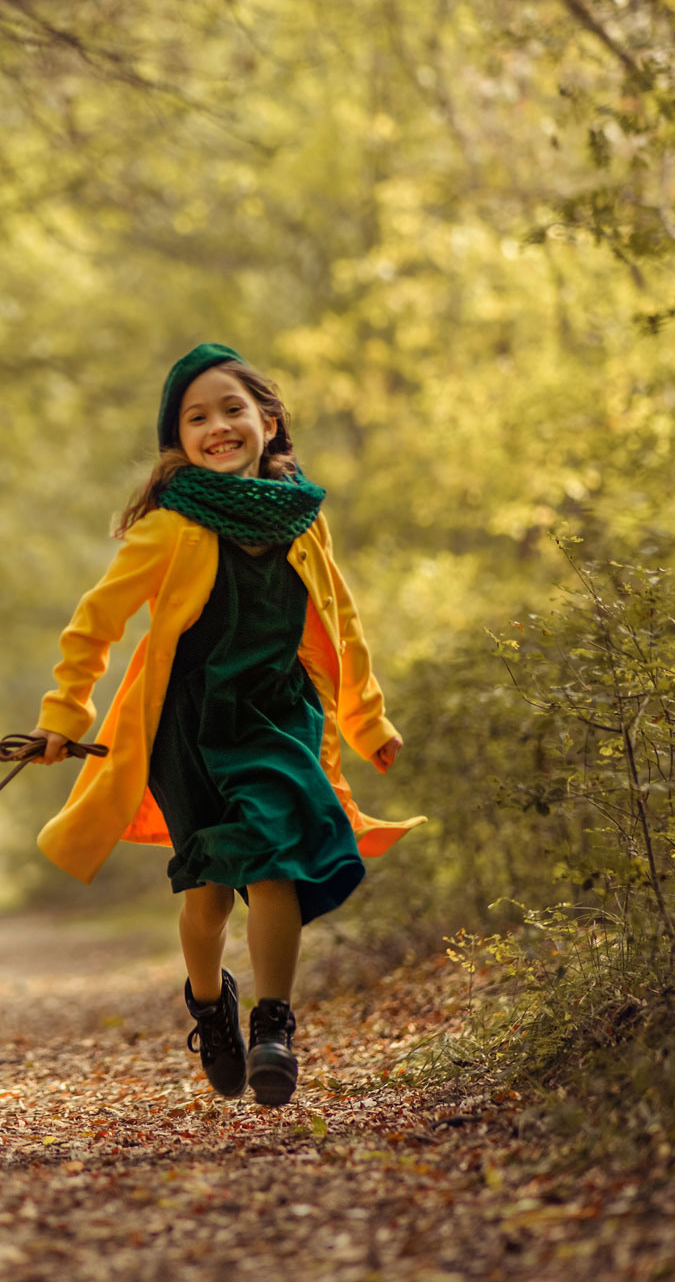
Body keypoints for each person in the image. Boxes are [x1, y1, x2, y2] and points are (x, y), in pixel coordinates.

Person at [29, 343, 421, 1107]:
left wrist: (368, 721)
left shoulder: (304, 520)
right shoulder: (170, 528)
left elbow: (341, 624)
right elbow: (93, 624)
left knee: (278, 861)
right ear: (179, 442)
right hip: (190, 731)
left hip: (278, 716)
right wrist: (64, 712)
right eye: (197, 416)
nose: (218, 426)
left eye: (232, 409)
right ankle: (212, 1006)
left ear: (268, 422)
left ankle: (274, 1024)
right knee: (206, 899)